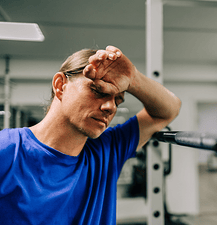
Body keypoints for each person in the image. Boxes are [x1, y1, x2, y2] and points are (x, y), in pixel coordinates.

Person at [0, 46, 181, 224]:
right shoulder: (7, 149)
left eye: (117, 100)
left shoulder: (107, 151)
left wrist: (133, 78)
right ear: (60, 85)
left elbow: (168, 110)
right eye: (97, 91)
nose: (110, 107)